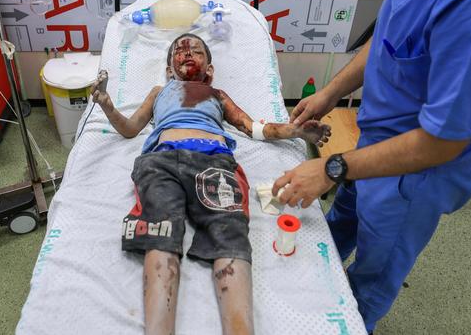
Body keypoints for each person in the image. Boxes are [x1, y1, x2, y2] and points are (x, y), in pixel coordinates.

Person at [272, 0, 471, 333]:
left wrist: (331, 168)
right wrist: (329, 93)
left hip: (417, 172)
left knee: (370, 280)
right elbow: (388, 38)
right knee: (336, 230)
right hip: (371, 144)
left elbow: (442, 140)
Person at [91, 33, 331, 335]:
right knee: (160, 232)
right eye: (179, 51)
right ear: (168, 70)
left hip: (214, 163)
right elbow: (129, 130)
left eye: (196, 50)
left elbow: (253, 127)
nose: (187, 53)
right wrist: (107, 106)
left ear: (211, 69)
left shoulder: (216, 95)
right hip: (160, 162)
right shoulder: (159, 92)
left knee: (229, 233)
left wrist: (295, 132)